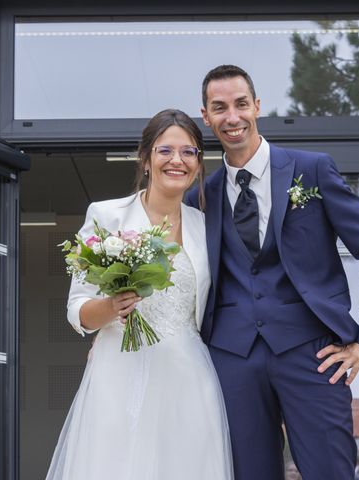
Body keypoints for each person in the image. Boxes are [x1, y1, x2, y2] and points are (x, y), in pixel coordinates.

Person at [185, 64, 359, 480]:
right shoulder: (201, 196)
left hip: (313, 354)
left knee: (330, 471)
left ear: (257, 106)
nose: (232, 117)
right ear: (206, 116)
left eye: (241, 104)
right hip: (232, 358)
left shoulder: (312, 169)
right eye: (219, 107)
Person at [46, 109, 233, 480]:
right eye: (165, 151)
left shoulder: (208, 226)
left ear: (197, 163)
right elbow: (78, 310)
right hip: (120, 371)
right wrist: (113, 306)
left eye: (189, 152)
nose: (177, 160)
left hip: (189, 373)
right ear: (145, 159)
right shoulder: (106, 215)